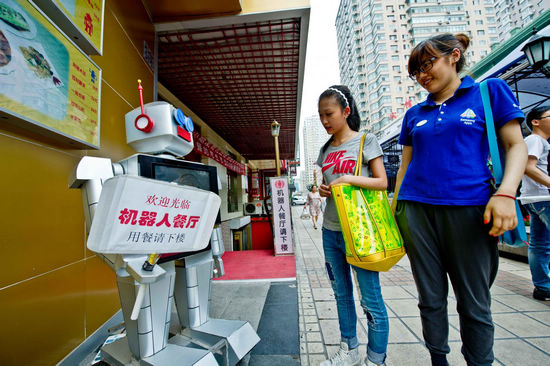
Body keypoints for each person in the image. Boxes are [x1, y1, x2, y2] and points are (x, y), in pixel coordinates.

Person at [392, 33, 527, 366]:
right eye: (416, 71)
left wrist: (507, 193)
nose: (423, 75)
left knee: (474, 302)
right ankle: (439, 359)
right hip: (416, 212)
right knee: (430, 299)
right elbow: (404, 167)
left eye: (427, 64)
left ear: (454, 56)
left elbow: (516, 146)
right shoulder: (414, 115)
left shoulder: (488, 91)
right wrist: (395, 211)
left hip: (470, 210)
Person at [316, 85, 389, 366]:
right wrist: (322, 189)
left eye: (329, 114)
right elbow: (327, 184)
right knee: (341, 294)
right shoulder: (324, 150)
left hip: (360, 231)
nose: (325, 121)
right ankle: (349, 350)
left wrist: (347, 179)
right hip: (330, 230)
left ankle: (376, 358)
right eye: (321, 115)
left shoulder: (365, 141)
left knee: (371, 298)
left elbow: (382, 182)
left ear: (346, 112)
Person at [519, 105, 550, 301]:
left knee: (539, 244)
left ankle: (543, 287)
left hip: (534, 198)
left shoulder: (538, 141)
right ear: (535, 122)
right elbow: (528, 167)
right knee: (540, 244)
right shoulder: (535, 140)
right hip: (542, 198)